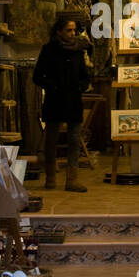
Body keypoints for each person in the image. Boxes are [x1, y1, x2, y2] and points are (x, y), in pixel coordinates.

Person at [33, 17, 91, 192]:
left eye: (74, 30)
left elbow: (84, 76)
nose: (73, 34)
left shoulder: (78, 51)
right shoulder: (49, 50)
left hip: (73, 100)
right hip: (55, 100)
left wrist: (81, 86)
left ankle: (72, 180)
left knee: (74, 139)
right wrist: (53, 86)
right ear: (59, 31)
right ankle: (50, 177)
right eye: (69, 30)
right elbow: (37, 76)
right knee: (51, 140)